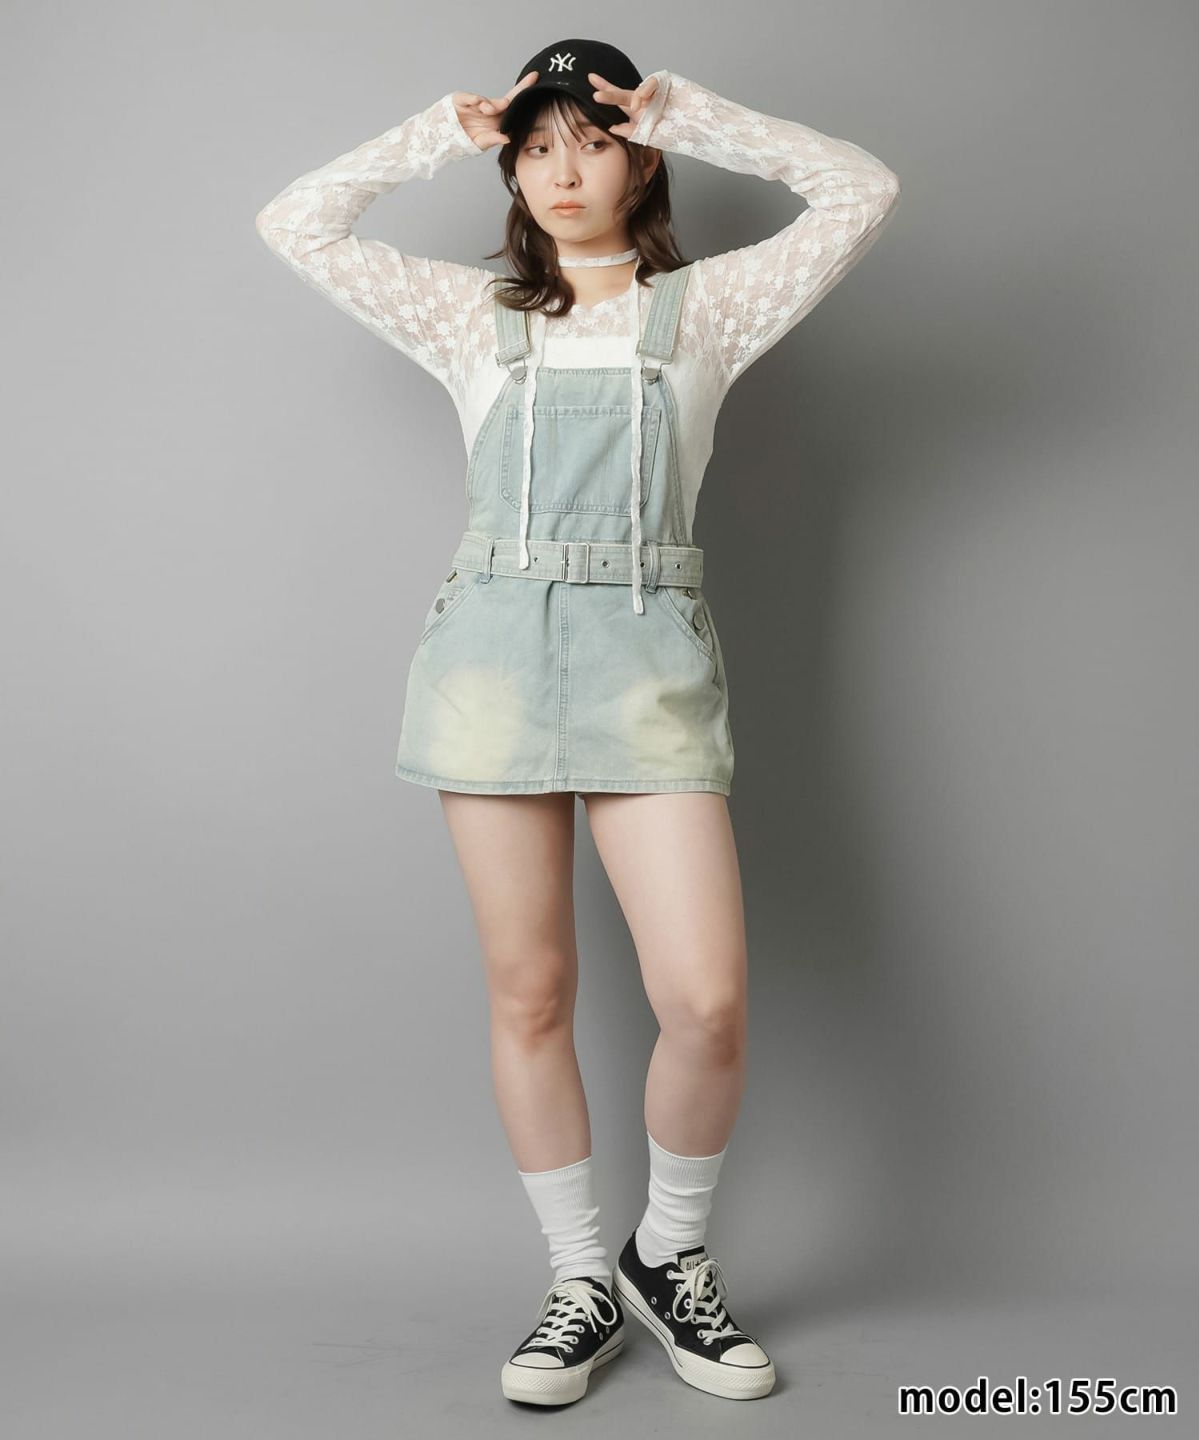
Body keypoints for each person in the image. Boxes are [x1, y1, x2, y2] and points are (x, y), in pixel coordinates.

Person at [255, 36, 900, 1408]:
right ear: (510, 168)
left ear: (640, 161)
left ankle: (668, 1257)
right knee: (532, 992)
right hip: (490, 663)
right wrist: (439, 130)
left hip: (646, 663)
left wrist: (691, 108)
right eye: (536, 146)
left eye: (593, 141)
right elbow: (294, 222)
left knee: (705, 1000)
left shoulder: (710, 310)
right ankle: (574, 1283)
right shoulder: (469, 313)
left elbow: (862, 190)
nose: (562, 171)